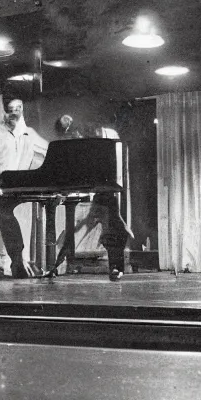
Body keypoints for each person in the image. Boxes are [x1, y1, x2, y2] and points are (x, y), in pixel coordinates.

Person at [54, 114, 133, 281]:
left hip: (109, 190)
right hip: (102, 191)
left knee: (111, 229)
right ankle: (114, 267)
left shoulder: (106, 136)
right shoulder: (87, 141)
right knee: (110, 228)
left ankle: (115, 267)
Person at [0, 98, 44, 279]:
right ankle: (15, 262)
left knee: (26, 219)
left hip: (22, 190)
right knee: (5, 219)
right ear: (4, 111)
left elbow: (48, 152)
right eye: (10, 109)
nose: (14, 113)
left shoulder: (29, 134)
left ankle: (24, 262)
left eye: (18, 108)